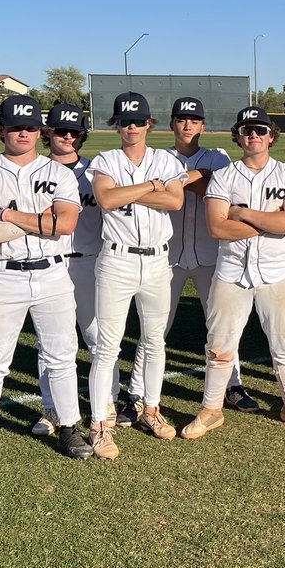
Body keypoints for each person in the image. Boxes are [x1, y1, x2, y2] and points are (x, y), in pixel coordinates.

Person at [0, 95, 92, 480]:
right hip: (2, 275)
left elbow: (65, 225)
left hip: (52, 274)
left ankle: (69, 429)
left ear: (40, 131)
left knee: (62, 355)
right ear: (1, 130)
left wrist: (7, 214)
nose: (24, 132)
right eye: (16, 127)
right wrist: (38, 220)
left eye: (31, 127)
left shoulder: (60, 172)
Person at [182, 107, 285, 438]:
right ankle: (211, 409)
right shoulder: (225, 176)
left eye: (260, 130)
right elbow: (217, 227)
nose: (253, 136)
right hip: (231, 270)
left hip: (277, 271)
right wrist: (269, 221)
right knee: (219, 345)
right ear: (238, 137)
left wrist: (242, 214)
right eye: (246, 131)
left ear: (271, 135)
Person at [123, 96, 257, 427]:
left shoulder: (218, 156)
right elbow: (168, 194)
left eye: (194, 120)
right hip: (167, 255)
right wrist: (192, 180)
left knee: (223, 327)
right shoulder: (156, 158)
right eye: (181, 119)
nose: (187, 125)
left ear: (202, 126)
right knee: (154, 329)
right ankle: (136, 394)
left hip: (211, 255)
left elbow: (214, 190)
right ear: (171, 124)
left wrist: (180, 180)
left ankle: (233, 385)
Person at [86, 92, 185, 458]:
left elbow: (175, 201)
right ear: (116, 125)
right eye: (124, 121)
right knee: (107, 346)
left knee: (155, 341)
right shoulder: (106, 159)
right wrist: (150, 187)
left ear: (149, 124)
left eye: (138, 121)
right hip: (117, 260)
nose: (131, 127)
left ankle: (151, 409)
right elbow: (106, 199)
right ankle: (100, 425)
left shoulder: (164, 158)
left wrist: (131, 192)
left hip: (159, 260)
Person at [31, 103, 100, 436]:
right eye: (61, 131)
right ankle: (53, 408)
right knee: (50, 342)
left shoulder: (96, 170)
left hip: (90, 260)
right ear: (48, 133)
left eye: (75, 132)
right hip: (50, 262)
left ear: (82, 135)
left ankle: (106, 403)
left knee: (97, 336)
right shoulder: (34, 171)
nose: (68, 137)